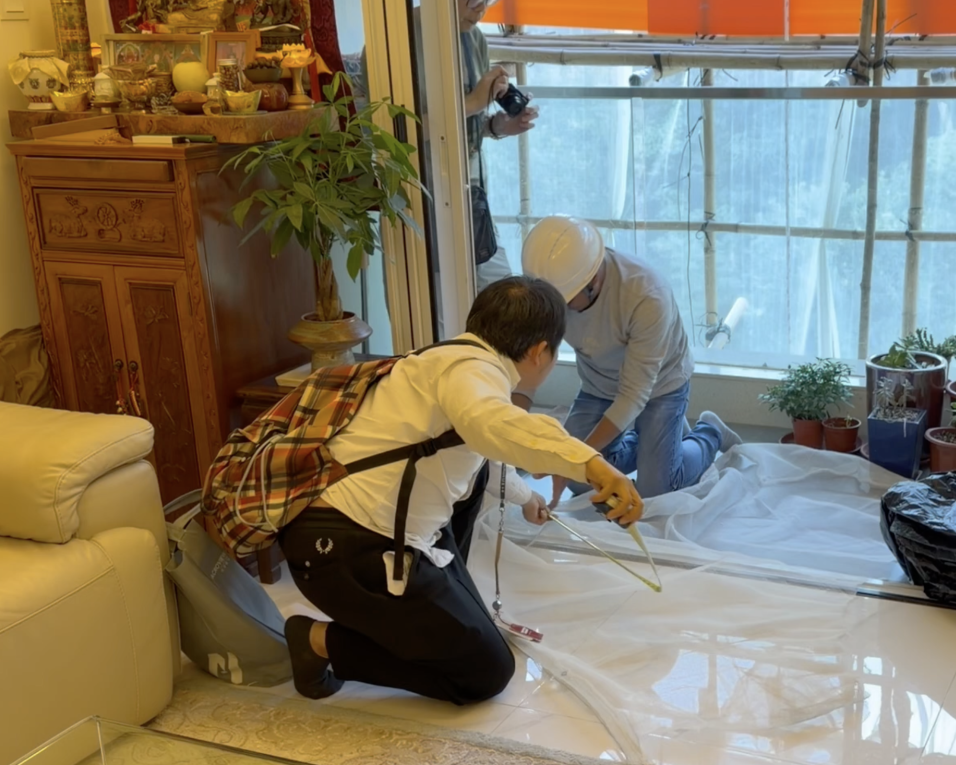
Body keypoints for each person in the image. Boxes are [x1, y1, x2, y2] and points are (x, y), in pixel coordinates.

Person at [278, 276, 643, 704]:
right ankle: (316, 641)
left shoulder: (446, 358)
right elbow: (493, 424)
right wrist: (591, 464)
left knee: (475, 493)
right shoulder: (472, 373)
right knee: (487, 672)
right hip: (346, 551)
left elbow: (479, 447)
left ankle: (417, 616)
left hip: (339, 532)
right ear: (540, 351)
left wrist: (528, 498)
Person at [519, 215, 742, 507]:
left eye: (564, 303)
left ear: (593, 281)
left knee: (657, 490)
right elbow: (528, 365)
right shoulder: (554, 288)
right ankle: (653, 444)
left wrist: (579, 456)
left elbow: (633, 396)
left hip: (661, 385)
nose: (556, 313)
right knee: (578, 479)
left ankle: (709, 433)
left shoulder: (646, 295)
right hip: (600, 385)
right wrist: (508, 429)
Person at [414, 0, 539, 293]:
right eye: (473, 1)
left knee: (508, 301)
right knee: (443, 308)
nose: (481, 10)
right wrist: (470, 103)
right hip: (424, 204)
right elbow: (395, 132)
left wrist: (500, 126)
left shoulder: (474, 39)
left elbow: (470, 124)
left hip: (474, 200)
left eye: (488, 1)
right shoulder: (397, 41)